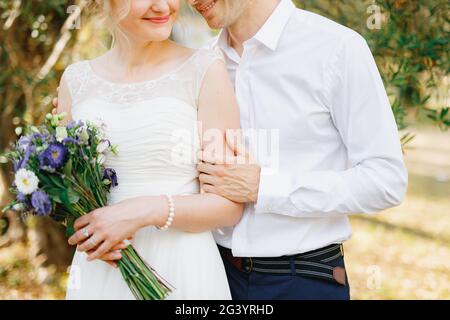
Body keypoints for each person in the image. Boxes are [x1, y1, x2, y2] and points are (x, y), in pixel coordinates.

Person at [189, 0, 408, 300]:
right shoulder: (201, 62)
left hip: (303, 281)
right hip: (212, 278)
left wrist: (264, 187)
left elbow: (386, 180)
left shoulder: (337, 48)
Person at [56, 0, 244, 299]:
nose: (164, 6)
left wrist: (144, 211)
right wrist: (88, 231)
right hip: (102, 267)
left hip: (181, 268)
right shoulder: (76, 80)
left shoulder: (204, 69)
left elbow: (229, 206)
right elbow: (67, 194)